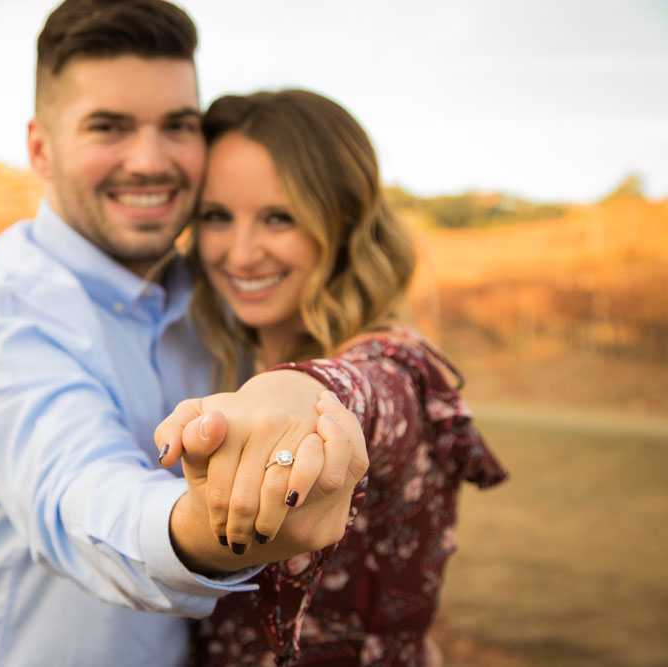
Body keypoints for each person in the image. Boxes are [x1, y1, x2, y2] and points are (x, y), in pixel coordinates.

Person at [0, 3, 366, 666]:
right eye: (109, 126)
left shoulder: (216, 301)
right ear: (40, 149)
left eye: (178, 125)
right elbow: (81, 497)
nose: (149, 161)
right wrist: (213, 521)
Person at [158, 90, 509, 666]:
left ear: (342, 222)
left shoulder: (397, 363)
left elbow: (367, 392)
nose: (241, 252)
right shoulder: (220, 358)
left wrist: (295, 393)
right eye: (217, 216)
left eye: (279, 217)